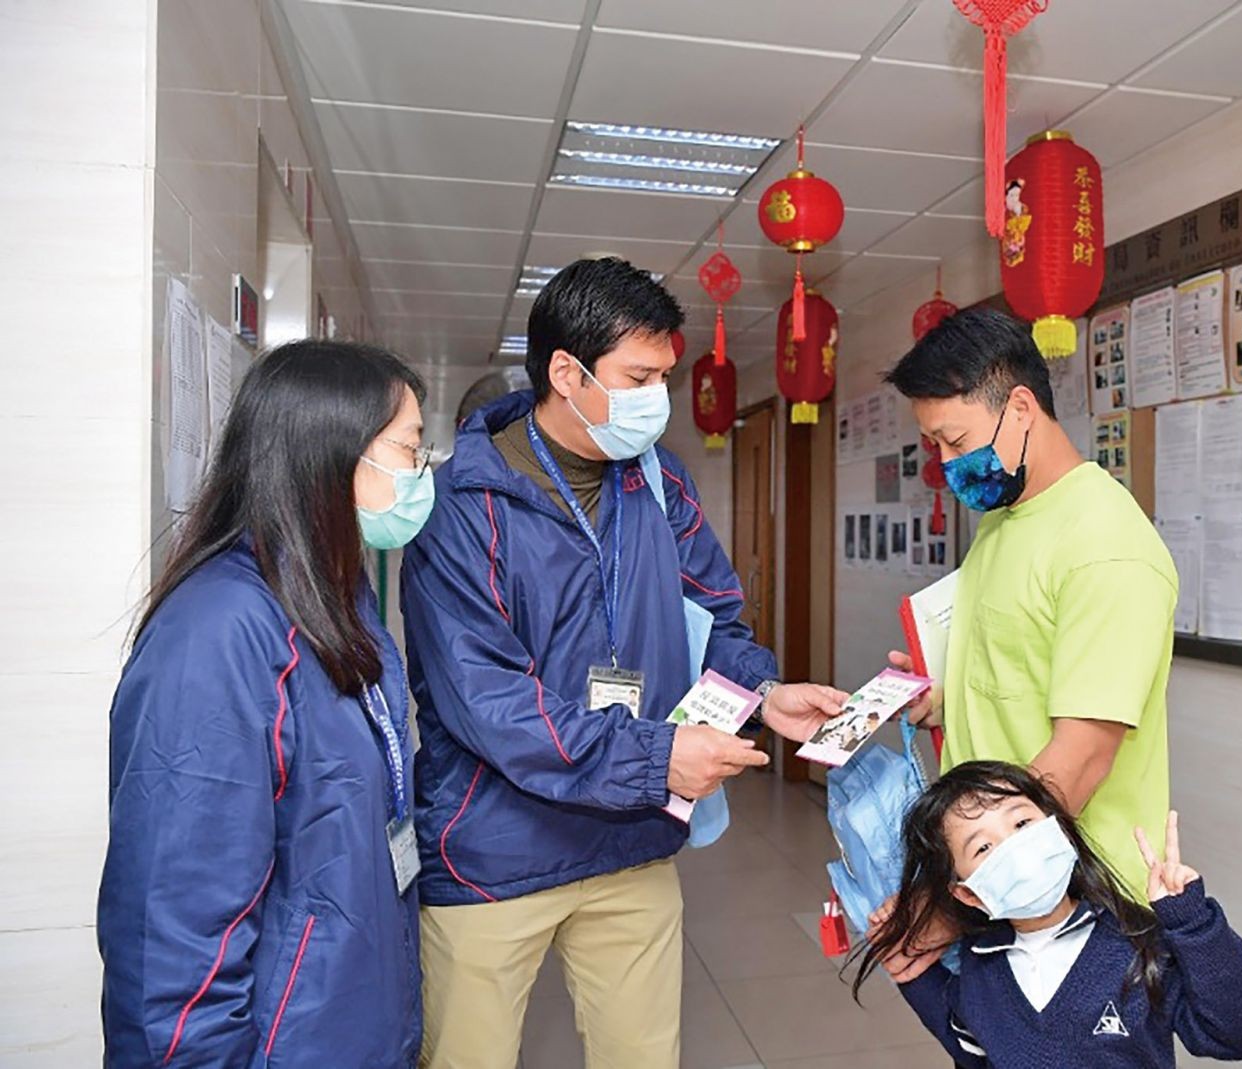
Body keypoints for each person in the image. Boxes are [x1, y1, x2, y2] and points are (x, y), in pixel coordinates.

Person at [401, 257, 847, 1068]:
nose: (658, 399)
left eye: (665, 376)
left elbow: (716, 618)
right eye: (639, 376)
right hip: (495, 852)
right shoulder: (463, 507)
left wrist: (764, 692)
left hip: (631, 840)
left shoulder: (660, 484)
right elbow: (490, 701)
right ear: (566, 374)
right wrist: (659, 757)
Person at [99, 341, 433, 1067]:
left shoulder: (336, 596)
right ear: (335, 452)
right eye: (410, 450)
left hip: (350, 1021)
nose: (420, 474)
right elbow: (175, 933)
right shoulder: (218, 632)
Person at [881, 307, 1179, 976]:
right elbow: (1015, 670)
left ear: (1020, 408)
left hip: (1076, 902)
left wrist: (944, 904)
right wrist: (944, 699)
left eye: (955, 440)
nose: (947, 464)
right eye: (935, 445)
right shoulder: (1006, 519)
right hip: (1001, 888)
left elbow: (1078, 760)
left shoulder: (1105, 547)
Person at [856, 762, 1242, 1068]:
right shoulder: (980, 964)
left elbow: (1241, 1035)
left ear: (1057, 829)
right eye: (983, 848)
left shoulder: (1135, 944)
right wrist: (917, 979)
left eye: (1021, 823)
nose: (1013, 850)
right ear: (968, 893)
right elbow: (976, 1053)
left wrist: (1192, 922)